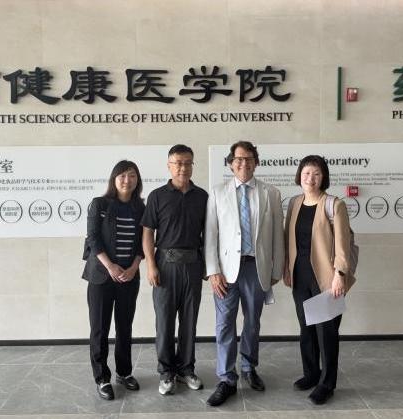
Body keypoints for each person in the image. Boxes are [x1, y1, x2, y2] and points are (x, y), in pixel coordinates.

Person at [204, 141, 285, 406]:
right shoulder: (218, 193)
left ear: (256, 162)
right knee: (224, 323)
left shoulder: (271, 193)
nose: (243, 163)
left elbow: (278, 234)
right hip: (226, 272)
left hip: (255, 268)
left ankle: (249, 368)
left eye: (249, 159)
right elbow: (211, 234)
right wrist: (213, 271)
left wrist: (276, 268)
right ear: (230, 163)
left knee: (252, 322)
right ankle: (227, 378)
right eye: (238, 159)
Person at [283, 155, 356, 405]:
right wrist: (287, 268)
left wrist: (339, 275)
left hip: (326, 276)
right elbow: (288, 238)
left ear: (323, 177)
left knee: (326, 332)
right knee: (306, 328)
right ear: (299, 176)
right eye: (306, 173)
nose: (310, 178)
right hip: (300, 273)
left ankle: (327, 383)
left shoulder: (334, 204)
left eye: (316, 174)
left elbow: (343, 244)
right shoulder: (294, 203)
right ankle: (311, 374)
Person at [141, 144, 208, 396]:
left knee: (189, 321)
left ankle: (186, 369)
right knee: (165, 322)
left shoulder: (202, 196)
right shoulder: (157, 196)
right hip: (165, 267)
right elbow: (148, 233)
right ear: (169, 166)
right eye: (178, 163)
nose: (183, 168)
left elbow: (209, 234)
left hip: (193, 266)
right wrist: (151, 265)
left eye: (188, 163)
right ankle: (166, 372)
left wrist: (208, 266)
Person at [82, 160, 145, 401]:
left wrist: (134, 267)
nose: (127, 180)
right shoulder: (100, 204)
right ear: (114, 179)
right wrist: (110, 266)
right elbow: (93, 238)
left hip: (129, 276)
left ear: (137, 180)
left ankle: (124, 373)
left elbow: (143, 242)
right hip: (101, 277)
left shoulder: (141, 208)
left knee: (124, 327)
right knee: (100, 328)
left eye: (132, 175)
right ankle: (102, 378)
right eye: (122, 175)